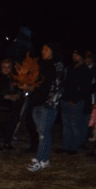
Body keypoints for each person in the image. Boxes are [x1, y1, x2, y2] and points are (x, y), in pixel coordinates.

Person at [26, 43, 65, 171]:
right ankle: (45, 159)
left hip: (48, 104)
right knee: (42, 133)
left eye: (46, 49)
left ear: (53, 51)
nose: (43, 51)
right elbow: (36, 83)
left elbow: (58, 86)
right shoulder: (40, 65)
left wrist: (50, 103)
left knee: (43, 133)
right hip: (36, 102)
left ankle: (39, 160)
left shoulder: (57, 65)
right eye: (42, 49)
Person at [59, 50, 93, 154]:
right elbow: (65, 83)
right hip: (66, 99)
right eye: (73, 55)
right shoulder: (70, 68)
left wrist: (76, 99)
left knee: (75, 125)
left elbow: (85, 88)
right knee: (66, 125)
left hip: (76, 101)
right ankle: (66, 146)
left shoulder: (85, 70)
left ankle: (73, 147)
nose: (74, 57)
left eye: (76, 55)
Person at [0, 59, 22, 150]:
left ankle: (7, 142)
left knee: (10, 125)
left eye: (8, 67)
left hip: (12, 106)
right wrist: (5, 96)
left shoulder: (14, 77)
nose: (6, 69)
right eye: (4, 67)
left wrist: (18, 95)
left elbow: (19, 88)